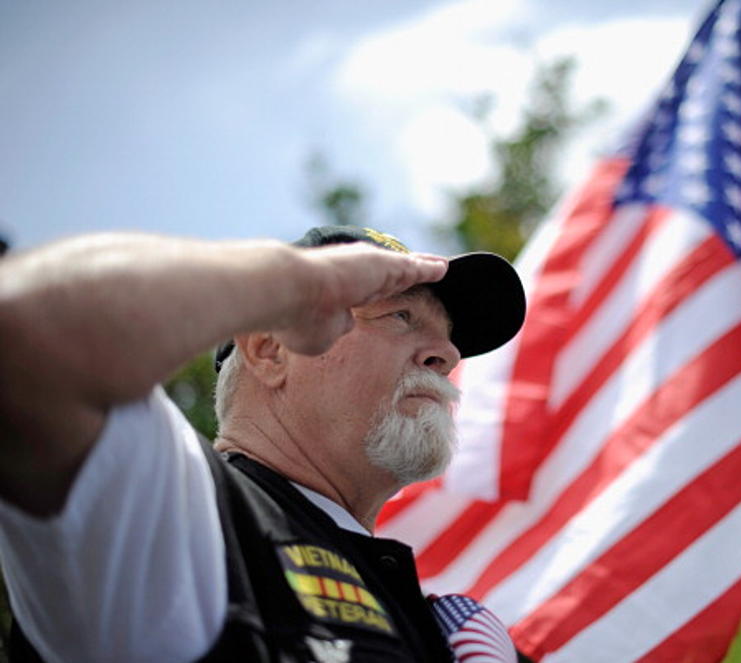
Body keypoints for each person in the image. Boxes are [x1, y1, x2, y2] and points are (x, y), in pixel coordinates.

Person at [0, 226, 526, 662]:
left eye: (448, 337)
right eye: (401, 316)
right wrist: (288, 280)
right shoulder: (185, 510)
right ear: (271, 349)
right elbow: (25, 332)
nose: (445, 354)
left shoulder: (445, 627)